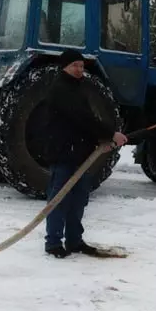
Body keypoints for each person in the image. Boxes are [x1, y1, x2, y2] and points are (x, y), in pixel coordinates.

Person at [43, 50, 128, 258]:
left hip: (80, 153)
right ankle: (53, 243)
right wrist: (110, 133)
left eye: (81, 66)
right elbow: (81, 119)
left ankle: (74, 241)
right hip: (64, 153)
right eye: (74, 66)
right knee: (60, 199)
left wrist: (102, 141)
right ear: (64, 66)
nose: (79, 70)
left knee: (79, 199)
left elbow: (85, 121)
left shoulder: (79, 88)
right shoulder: (60, 89)